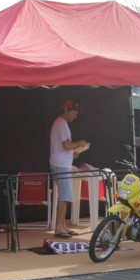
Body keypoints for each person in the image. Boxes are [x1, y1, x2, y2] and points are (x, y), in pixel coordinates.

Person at [49, 100, 88, 238]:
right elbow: (66, 145)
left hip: (62, 163)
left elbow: (64, 147)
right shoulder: (61, 124)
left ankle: (63, 226)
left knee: (65, 196)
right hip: (60, 165)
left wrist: (75, 151)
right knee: (64, 196)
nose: (75, 116)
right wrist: (79, 143)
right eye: (73, 113)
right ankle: (59, 228)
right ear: (66, 110)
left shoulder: (60, 123)